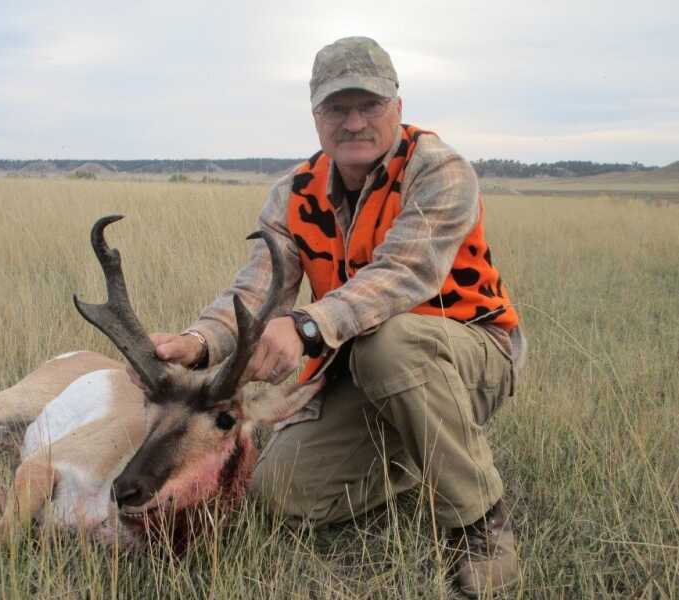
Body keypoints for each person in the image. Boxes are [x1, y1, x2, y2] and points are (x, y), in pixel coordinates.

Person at [148, 37, 526, 597]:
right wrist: (198, 342)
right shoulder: (293, 193)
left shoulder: (438, 170)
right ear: (316, 116)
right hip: (365, 372)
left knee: (390, 344)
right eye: (336, 108)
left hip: (470, 355)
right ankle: (419, 449)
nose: (353, 122)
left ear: (397, 106)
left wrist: (307, 327)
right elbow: (256, 290)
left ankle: (479, 524)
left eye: (369, 106)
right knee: (280, 494)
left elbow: (402, 276)